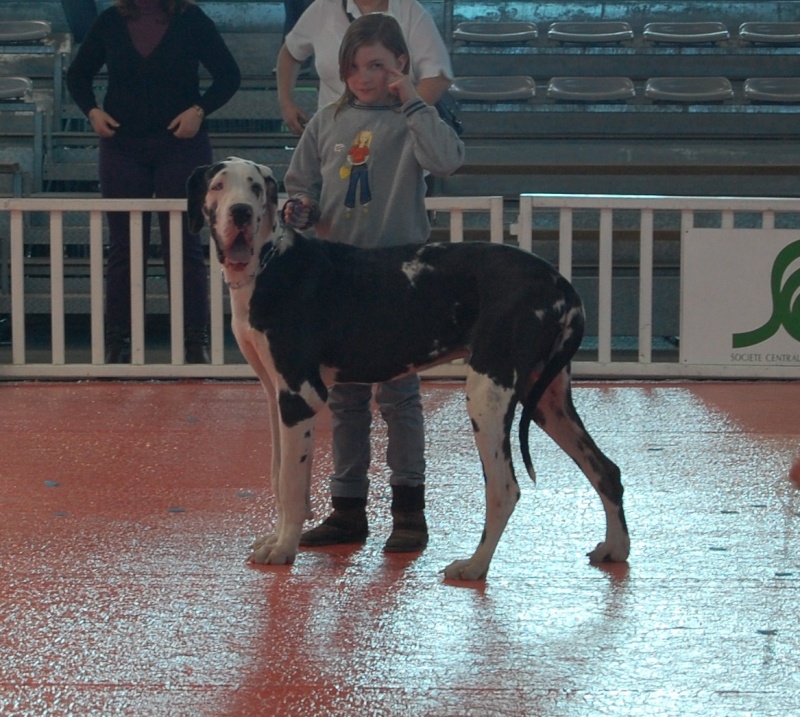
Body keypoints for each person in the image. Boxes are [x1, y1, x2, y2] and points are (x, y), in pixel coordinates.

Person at [281, 12, 464, 551]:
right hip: (338, 278)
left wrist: (413, 102)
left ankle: (409, 510)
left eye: (379, 65)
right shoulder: (326, 123)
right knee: (346, 398)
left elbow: (449, 160)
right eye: (356, 67)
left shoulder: (415, 119)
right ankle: (348, 510)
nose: (365, 76)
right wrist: (300, 207)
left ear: (401, 65)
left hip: (400, 279)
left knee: (401, 395)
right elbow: (302, 183)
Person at [66, 0, 241, 363]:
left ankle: (195, 341)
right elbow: (77, 75)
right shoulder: (110, 20)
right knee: (124, 247)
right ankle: (119, 342)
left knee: (186, 244)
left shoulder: (191, 18)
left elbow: (229, 74)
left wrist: (199, 111)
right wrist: (92, 110)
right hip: (121, 147)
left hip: (183, 146)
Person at [276, 0, 453, 135]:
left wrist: (401, 121)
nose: (363, 78)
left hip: (397, 141)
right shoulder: (323, 7)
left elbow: (438, 76)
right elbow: (290, 52)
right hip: (334, 136)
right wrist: (286, 103)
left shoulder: (410, 10)